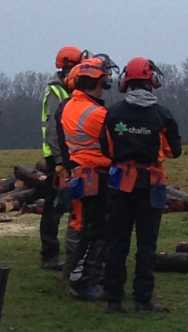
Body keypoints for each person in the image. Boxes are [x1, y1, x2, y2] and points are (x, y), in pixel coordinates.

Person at [102, 57, 182, 313]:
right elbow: (175, 150)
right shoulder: (162, 114)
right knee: (147, 244)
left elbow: (106, 148)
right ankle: (143, 299)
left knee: (117, 241)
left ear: (126, 81)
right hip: (152, 183)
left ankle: (113, 299)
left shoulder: (113, 113)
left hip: (119, 183)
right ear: (152, 82)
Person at [60, 54, 118, 300]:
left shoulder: (70, 106)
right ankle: (84, 280)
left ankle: (78, 275)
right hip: (98, 173)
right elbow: (114, 147)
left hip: (80, 171)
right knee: (98, 229)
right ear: (96, 81)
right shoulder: (96, 113)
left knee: (86, 228)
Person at [39, 45, 84, 270]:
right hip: (58, 158)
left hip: (70, 154)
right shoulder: (56, 92)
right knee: (54, 206)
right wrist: (58, 162)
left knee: (70, 202)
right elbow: (53, 130)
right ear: (68, 67)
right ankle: (49, 254)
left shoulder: (69, 90)